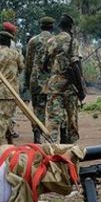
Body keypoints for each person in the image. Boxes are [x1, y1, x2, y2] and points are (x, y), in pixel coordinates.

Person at [43, 14, 81, 144]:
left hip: (54, 86)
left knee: (53, 119)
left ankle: (50, 147)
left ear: (60, 27)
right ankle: (70, 148)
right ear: (70, 27)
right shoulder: (72, 41)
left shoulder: (51, 41)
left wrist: (54, 72)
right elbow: (76, 65)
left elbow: (45, 64)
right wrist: (81, 88)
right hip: (70, 87)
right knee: (71, 119)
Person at [0, 31, 24, 145]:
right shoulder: (15, 54)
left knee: (3, 117)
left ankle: (9, 141)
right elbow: (21, 68)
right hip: (9, 91)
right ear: (9, 42)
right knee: (4, 118)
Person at [24, 16, 54, 144]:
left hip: (36, 81)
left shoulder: (33, 41)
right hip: (53, 82)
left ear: (41, 26)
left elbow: (28, 63)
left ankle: (37, 136)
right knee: (53, 110)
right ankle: (53, 137)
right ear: (51, 27)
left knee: (37, 110)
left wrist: (26, 81)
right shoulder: (55, 41)